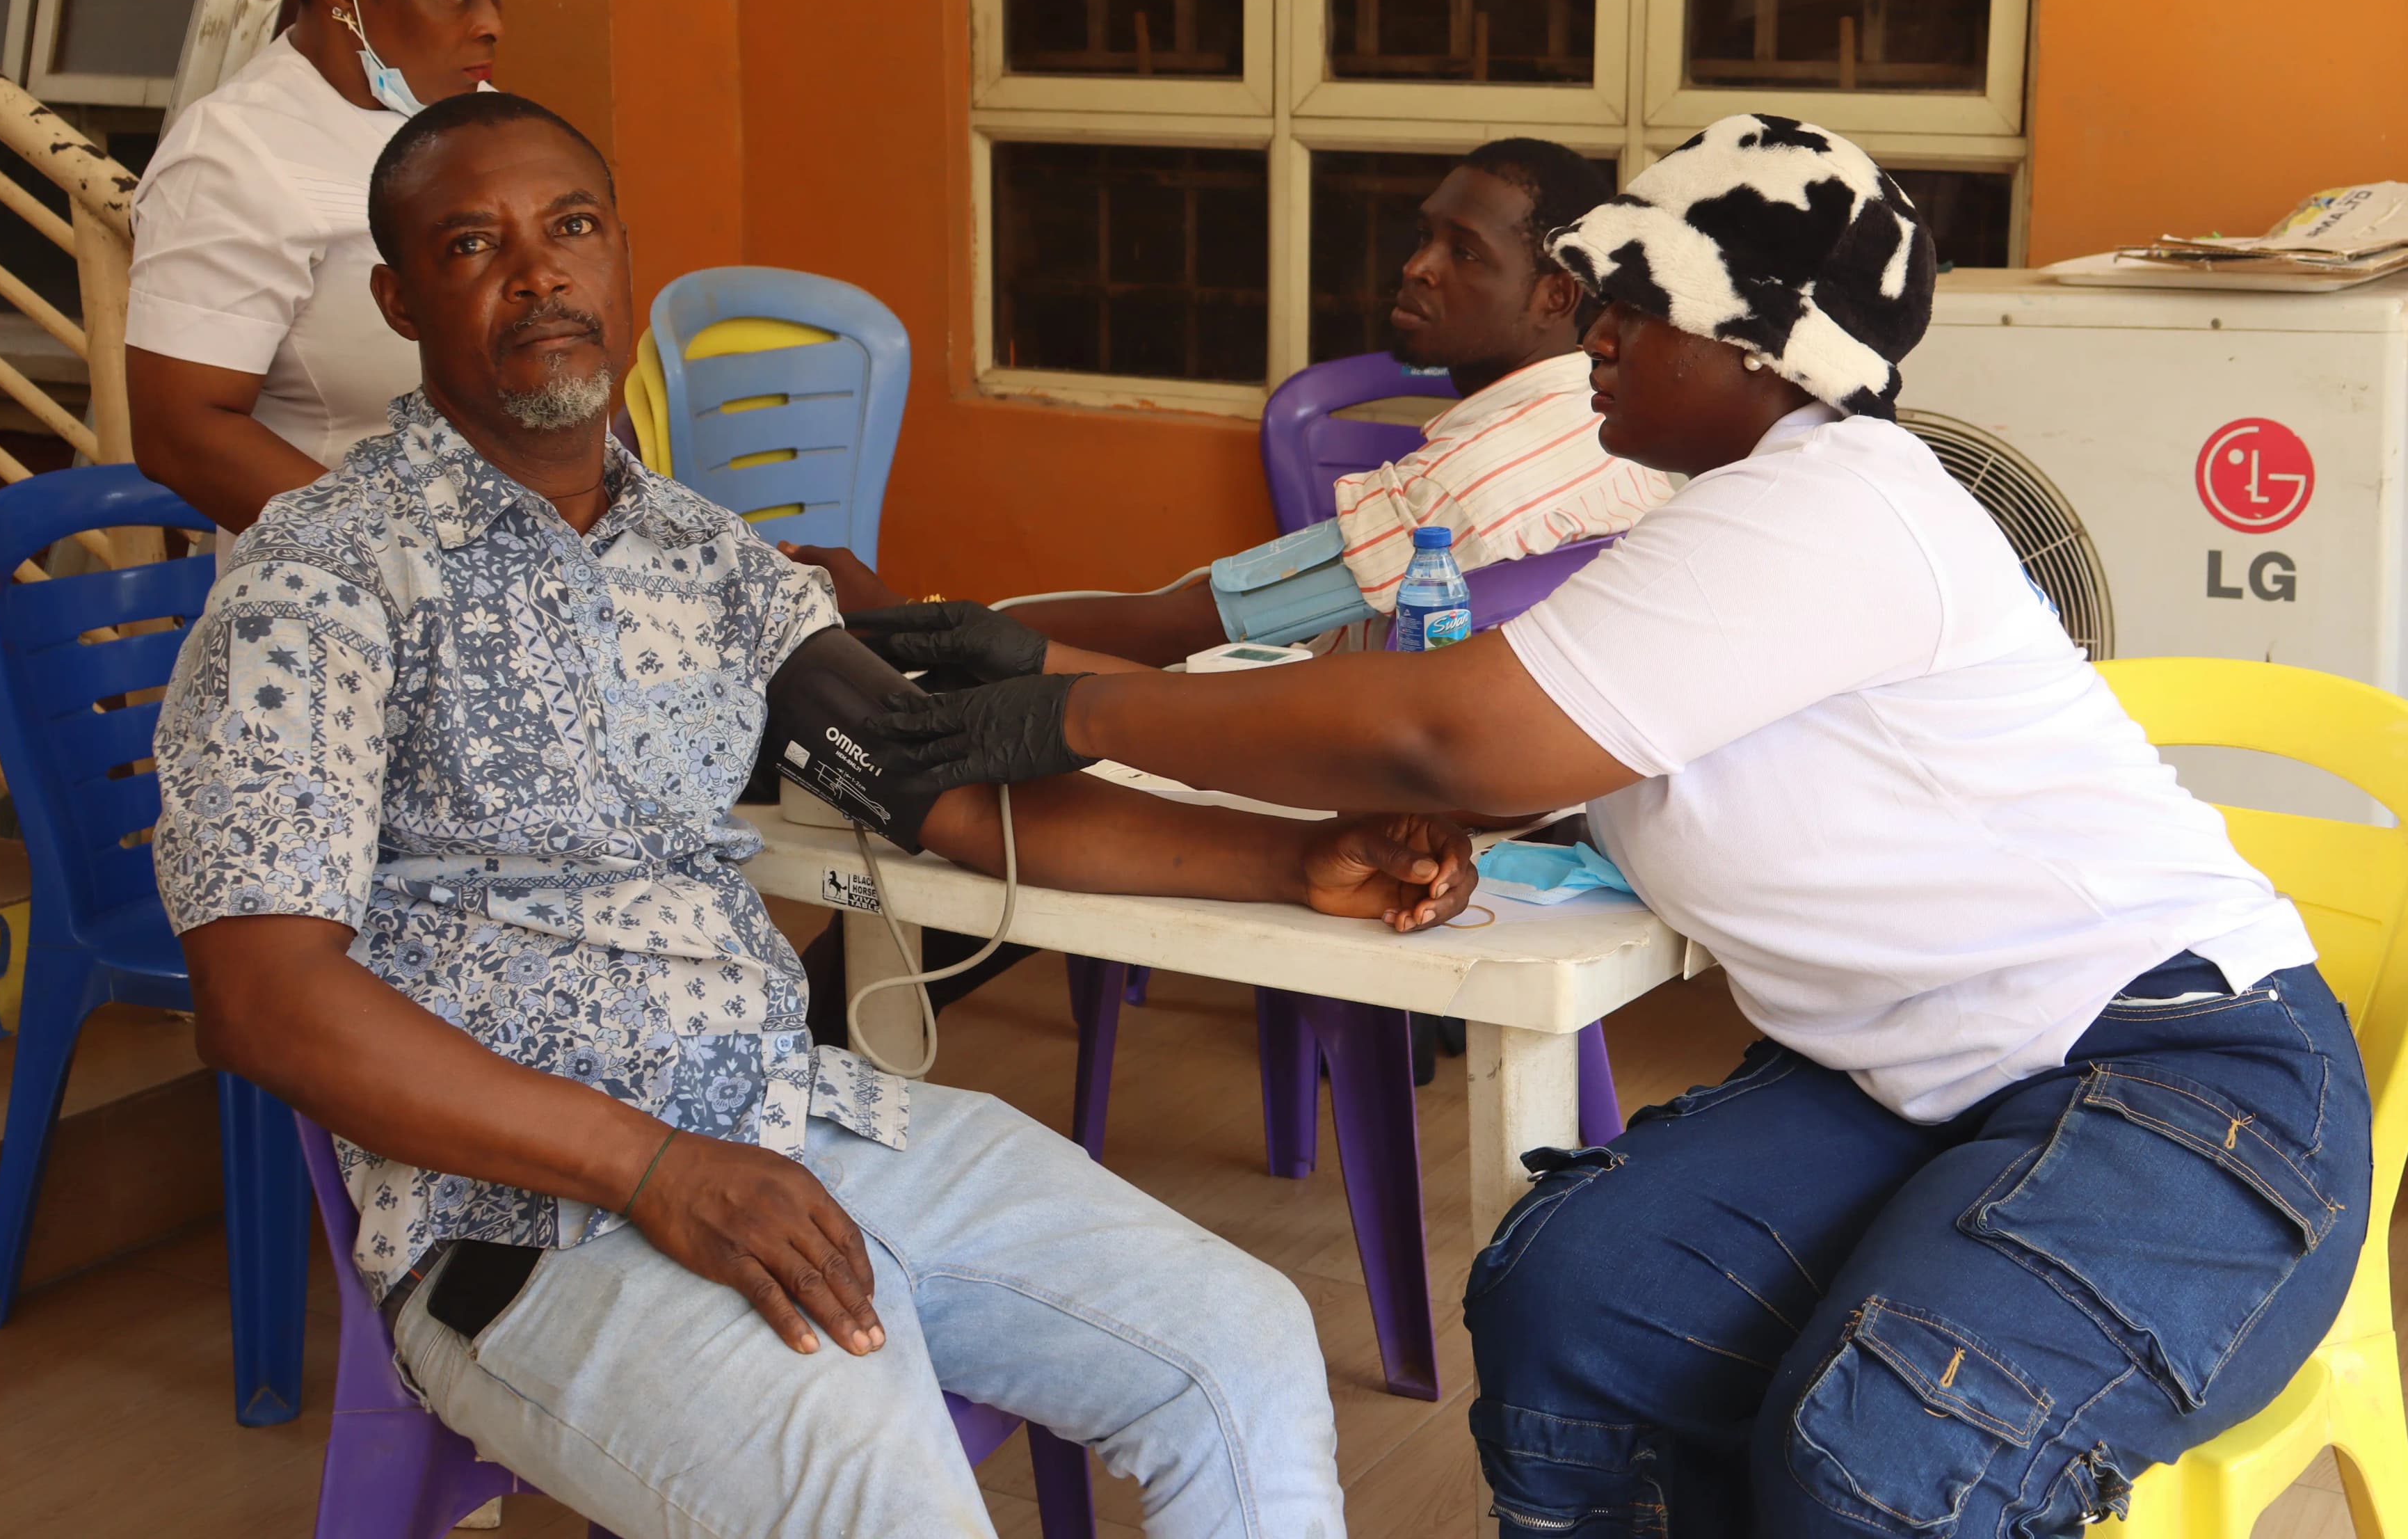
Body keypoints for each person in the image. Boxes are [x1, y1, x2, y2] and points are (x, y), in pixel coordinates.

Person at [848, 115, 2376, 1537]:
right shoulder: (1704, 517)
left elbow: (1449, 733)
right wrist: (1055, 667)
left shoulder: (1835, 502)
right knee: (1574, 1299)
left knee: (1883, 1452)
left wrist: (1083, 714)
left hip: (2174, 1071)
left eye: (1637, 309)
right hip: (1908, 1082)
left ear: (1760, 345)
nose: (1593, 335)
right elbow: (1489, 751)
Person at [154, 91, 1479, 1538]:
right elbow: (262, 1000)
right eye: (475, 244)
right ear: (401, 301)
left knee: (1242, 1341)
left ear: (624, 263)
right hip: (527, 1216)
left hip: (799, 1118)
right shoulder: (320, 579)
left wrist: (1296, 858)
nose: (539, 275)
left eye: (572, 228)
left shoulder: (708, 557)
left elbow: (934, 783)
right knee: (884, 1499)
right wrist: (653, 1165)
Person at [789, 138, 1674, 669]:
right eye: (1422, 237)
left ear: (1557, 295)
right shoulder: (1614, 437)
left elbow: (1179, 626)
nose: (1416, 267)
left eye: (1465, 253)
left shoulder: (1463, 482)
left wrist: (900, 615)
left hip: (1353, 778)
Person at [127, 0, 508, 557]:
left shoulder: (471, 116)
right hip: (344, 595)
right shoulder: (232, 159)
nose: (492, 23)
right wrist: (406, 564)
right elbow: (182, 430)